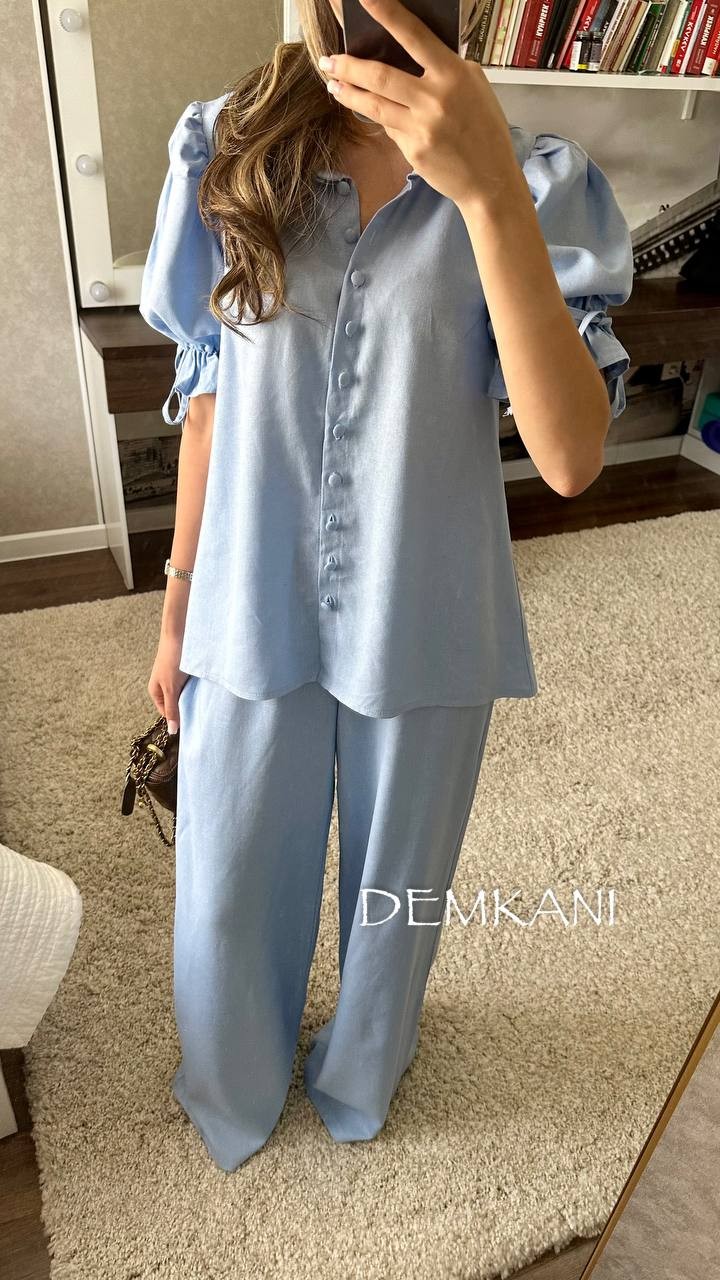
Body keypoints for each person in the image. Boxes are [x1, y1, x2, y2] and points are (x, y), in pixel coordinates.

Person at [139, 0, 634, 1172]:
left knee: (397, 892)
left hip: (426, 605)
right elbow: (207, 399)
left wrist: (489, 191)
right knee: (225, 877)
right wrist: (175, 609)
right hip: (247, 600)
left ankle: (365, 1070)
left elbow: (571, 457)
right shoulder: (224, 147)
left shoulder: (535, 180)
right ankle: (233, 1082)